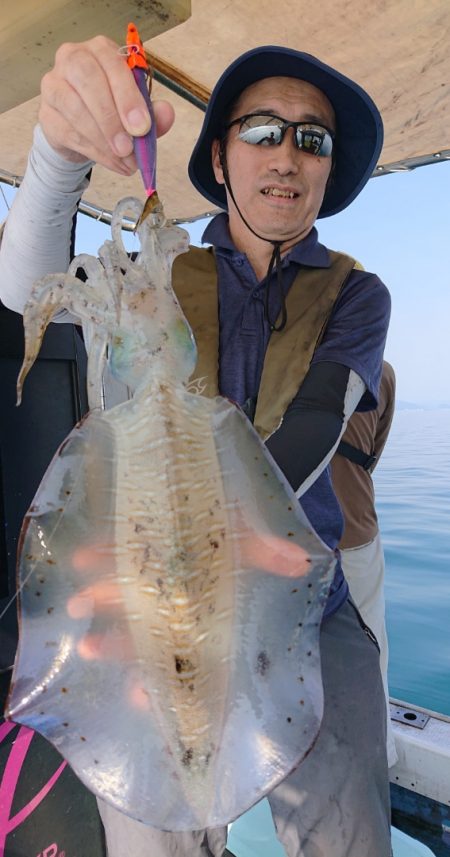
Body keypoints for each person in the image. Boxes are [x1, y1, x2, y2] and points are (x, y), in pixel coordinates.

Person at [0, 38, 392, 857]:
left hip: (304, 604)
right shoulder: (161, 273)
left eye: (312, 139)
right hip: (144, 598)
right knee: (153, 831)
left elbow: (320, 420)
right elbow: (26, 295)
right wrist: (56, 158)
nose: (287, 154)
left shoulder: (356, 292)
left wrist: (213, 532)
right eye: (262, 129)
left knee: (348, 831)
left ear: (326, 171)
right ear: (219, 154)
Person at [331, 359, 397, 767]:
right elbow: (373, 452)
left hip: (284, 535)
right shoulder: (381, 369)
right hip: (355, 526)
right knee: (370, 643)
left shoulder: (278, 354)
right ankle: (379, 755)